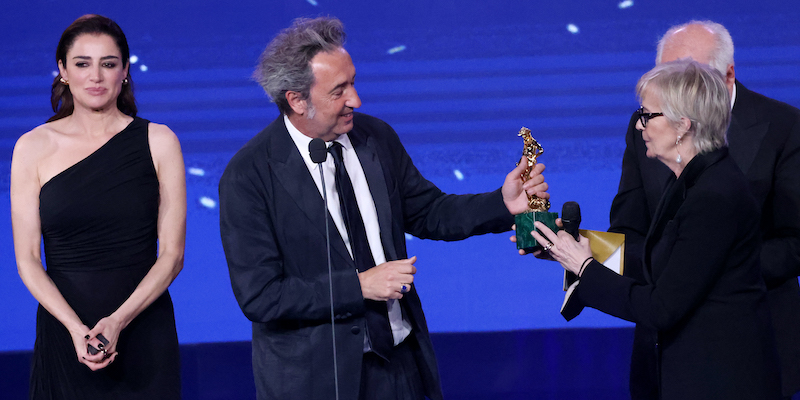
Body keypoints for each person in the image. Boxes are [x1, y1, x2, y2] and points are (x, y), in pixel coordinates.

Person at [218, 16, 547, 400]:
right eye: (338, 90)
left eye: (353, 82)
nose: (355, 100)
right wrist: (358, 287)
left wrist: (502, 203)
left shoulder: (374, 137)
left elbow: (428, 211)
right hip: (316, 382)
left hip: (397, 368)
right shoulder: (250, 175)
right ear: (296, 99)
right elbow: (261, 296)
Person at [533, 59, 781, 400]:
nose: (639, 127)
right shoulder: (690, 182)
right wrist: (570, 247)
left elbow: (661, 306)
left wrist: (585, 267)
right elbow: (657, 263)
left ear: (683, 125)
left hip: (720, 382)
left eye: (647, 115)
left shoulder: (714, 195)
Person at [609, 21, 800, 400]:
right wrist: (572, 247)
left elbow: (795, 241)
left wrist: (707, 272)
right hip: (664, 349)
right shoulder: (646, 127)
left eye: (685, 79)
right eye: (663, 77)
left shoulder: (786, 126)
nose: (670, 94)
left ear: (727, 74)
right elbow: (630, 232)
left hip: (746, 350)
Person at [10, 14, 186, 399]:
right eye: (82, 63)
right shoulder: (31, 147)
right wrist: (76, 329)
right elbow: (26, 259)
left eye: (108, 64)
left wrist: (118, 321)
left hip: (142, 328)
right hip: (64, 330)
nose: (96, 76)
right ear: (63, 71)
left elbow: (172, 256)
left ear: (124, 70)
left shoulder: (159, 141)